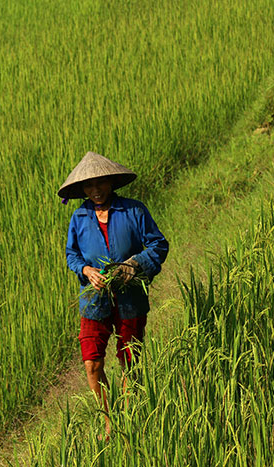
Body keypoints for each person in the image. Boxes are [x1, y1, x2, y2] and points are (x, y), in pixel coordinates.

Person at [58, 151, 169, 438]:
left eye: (100, 184)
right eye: (89, 186)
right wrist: (85, 270)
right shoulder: (79, 217)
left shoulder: (133, 211)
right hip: (94, 301)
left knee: (129, 361)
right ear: (82, 189)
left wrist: (134, 265)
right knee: (92, 363)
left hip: (130, 298)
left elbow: (158, 246)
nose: (95, 191)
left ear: (111, 183)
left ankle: (132, 417)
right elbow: (72, 254)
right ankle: (110, 419)